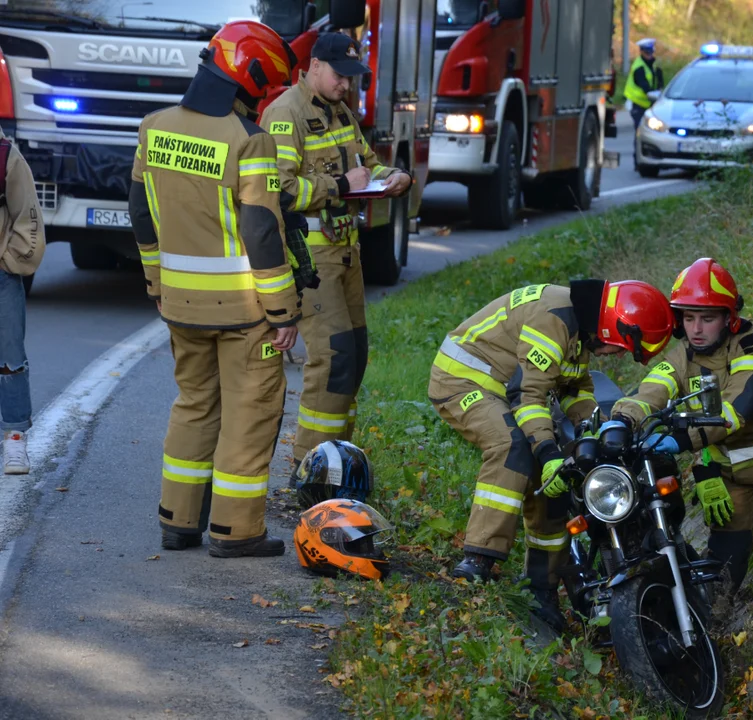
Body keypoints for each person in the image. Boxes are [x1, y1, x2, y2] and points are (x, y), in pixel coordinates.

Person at [129, 20, 301, 557]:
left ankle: (177, 522)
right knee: (249, 416)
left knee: (194, 406)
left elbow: (140, 213)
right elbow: (261, 231)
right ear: (250, 80)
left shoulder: (154, 128)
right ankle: (236, 531)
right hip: (245, 311)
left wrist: (157, 280)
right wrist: (283, 311)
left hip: (179, 304)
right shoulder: (249, 140)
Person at [428, 280, 674, 631]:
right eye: (622, 347)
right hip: (463, 381)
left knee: (557, 478)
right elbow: (528, 398)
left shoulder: (578, 329)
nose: (620, 355)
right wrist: (547, 453)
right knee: (513, 448)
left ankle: (540, 587)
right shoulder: (555, 319)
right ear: (614, 326)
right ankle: (478, 558)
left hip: (503, 388)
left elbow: (575, 389)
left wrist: (593, 434)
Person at [611, 259, 753, 594]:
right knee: (725, 563)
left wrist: (682, 440)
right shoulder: (681, 357)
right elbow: (650, 391)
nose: (697, 329)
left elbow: (740, 405)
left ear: (728, 318)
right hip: (731, 468)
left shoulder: (751, 339)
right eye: (689, 318)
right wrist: (622, 421)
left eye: (707, 318)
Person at [260, 33, 413, 484]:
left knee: (355, 355)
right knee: (332, 358)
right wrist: (341, 187)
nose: (348, 85)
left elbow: (366, 163)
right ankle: (310, 470)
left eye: (352, 78)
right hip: (312, 255)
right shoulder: (286, 114)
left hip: (346, 253)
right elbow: (280, 192)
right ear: (314, 65)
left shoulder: (340, 112)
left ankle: (338, 462)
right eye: (341, 75)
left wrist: (395, 176)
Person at [0, 129, 44, 475]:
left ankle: (15, 439)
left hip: (1, 277)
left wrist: (10, 262)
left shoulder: (5, 155)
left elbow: (28, 216)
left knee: (10, 359)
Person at [625, 38, 665, 160]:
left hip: (650, 104)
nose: (649, 54)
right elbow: (645, 87)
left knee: (654, 132)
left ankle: (654, 156)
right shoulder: (639, 67)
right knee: (640, 132)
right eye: (646, 52)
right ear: (641, 51)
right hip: (637, 104)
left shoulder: (654, 65)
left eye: (651, 52)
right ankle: (638, 160)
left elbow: (660, 83)